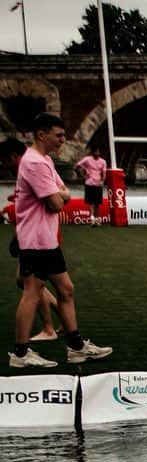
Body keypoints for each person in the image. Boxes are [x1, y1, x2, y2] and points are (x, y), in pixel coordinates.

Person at [8, 112, 112, 368]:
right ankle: (20, 354)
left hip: (46, 240)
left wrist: (61, 195)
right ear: (42, 134)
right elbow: (56, 202)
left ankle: (76, 347)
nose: (63, 140)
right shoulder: (34, 163)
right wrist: (61, 195)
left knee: (66, 290)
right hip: (36, 240)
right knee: (32, 292)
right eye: (59, 135)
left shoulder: (44, 160)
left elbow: (63, 191)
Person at [2, 138, 61, 343]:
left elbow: (55, 200)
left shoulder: (32, 166)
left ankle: (47, 329)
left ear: (14, 157)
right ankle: (64, 325)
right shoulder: (36, 165)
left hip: (38, 238)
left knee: (33, 286)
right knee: (53, 286)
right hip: (36, 236)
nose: (4, 165)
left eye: (5, 161)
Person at [74, 147, 107, 226]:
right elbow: (76, 166)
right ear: (92, 153)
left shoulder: (103, 161)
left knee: (97, 203)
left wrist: (103, 181)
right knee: (91, 202)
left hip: (98, 184)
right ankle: (92, 219)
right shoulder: (87, 159)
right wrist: (82, 175)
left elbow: (104, 172)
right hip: (89, 183)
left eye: (98, 152)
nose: (97, 153)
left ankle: (97, 219)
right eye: (96, 152)